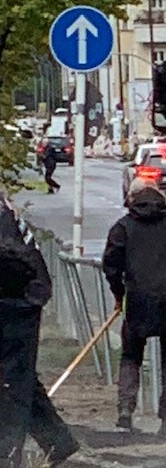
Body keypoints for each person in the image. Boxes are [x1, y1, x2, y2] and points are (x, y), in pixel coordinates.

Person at [0, 155, 79, 468]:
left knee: (13, 379)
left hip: (18, 295)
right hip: (14, 293)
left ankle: (4, 454)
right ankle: (57, 441)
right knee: (18, 374)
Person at [102, 177, 166, 433]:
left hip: (138, 299)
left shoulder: (123, 227)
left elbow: (111, 265)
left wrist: (119, 294)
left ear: (132, 199)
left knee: (130, 355)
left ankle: (126, 409)